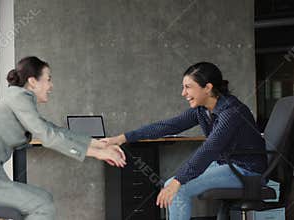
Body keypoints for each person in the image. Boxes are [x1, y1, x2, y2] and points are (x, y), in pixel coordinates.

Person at [0, 56, 126, 220]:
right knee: (42, 205)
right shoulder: (18, 98)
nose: (51, 86)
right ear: (33, 81)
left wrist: (100, 144)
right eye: (48, 79)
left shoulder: (19, 99)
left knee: (43, 198)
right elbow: (48, 137)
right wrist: (98, 154)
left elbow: (52, 129)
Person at [103, 62, 267, 220]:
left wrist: (179, 180)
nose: (183, 93)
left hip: (247, 172)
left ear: (208, 88)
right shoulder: (202, 110)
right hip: (227, 165)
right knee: (172, 184)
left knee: (178, 189)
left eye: (188, 87)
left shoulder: (231, 112)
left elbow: (209, 150)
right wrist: (122, 138)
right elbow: (168, 126)